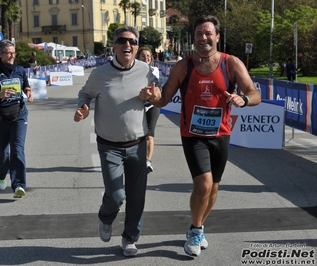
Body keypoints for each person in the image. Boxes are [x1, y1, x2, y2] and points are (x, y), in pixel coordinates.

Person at [141, 15, 261, 257]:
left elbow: (254, 93)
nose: (203, 38)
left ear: (217, 36)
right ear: (194, 38)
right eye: (199, 34)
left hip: (221, 134)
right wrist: (152, 96)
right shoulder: (183, 66)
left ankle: (199, 227)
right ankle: (195, 231)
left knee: (214, 188)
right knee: (203, 184)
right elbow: (163, 98)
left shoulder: (231, 63)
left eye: (208, 33)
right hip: (192, 135)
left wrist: (243, 99)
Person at [74, 25, 159, 257]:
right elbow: (85, 94)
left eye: (132, 41)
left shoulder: (146, 70)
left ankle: (130, 238)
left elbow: (158, 94)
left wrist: (153, 95)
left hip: (138, 144)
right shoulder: (100, 74)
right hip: (109, 145)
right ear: (114, 46)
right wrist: (82, 108)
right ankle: (106, 217)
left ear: (137, 46)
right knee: (117, 195)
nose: (127, 45)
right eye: (122, 41)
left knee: (137, 197)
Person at [0, 39, 34, 198]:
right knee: (3, 152)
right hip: (0, 116)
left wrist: (29, 93)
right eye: (8, 53)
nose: (12, 56)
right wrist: (0, 94)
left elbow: (26, 86)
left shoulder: (20, 70)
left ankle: (19, 185)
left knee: (17, 150)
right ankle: (0, 174)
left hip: (19, 114)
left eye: (13, 53)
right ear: (0, 54)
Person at [136, 47, 160, 173]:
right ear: (138, 58)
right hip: (137, 106)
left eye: (148, 56)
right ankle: (135, 159)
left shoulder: (154, 70)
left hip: (152, 105)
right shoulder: (132, 71)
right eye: (143, 56)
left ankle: (147, 161)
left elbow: (158, 87)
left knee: (149, 134)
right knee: (138, 135)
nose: (146, 58)